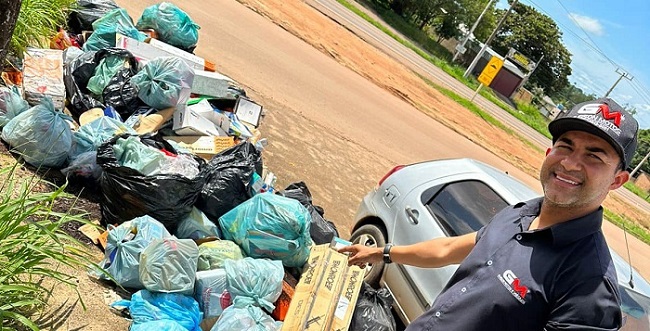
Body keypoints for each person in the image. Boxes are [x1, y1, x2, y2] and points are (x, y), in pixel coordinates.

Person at [339, 98, 639, 330]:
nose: (571, 163)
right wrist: (382, 252)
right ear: (549, 154)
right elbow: (447, 249)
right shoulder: (518, 214)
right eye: (566, 146)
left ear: (616, 180)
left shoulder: (591, 286)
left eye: (594, 155)